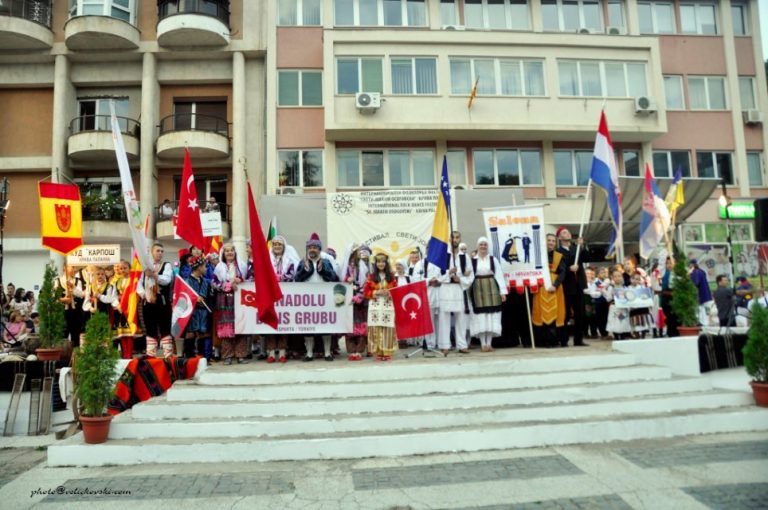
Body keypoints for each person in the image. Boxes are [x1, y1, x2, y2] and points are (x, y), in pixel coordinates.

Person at [295, 233, 339, 361]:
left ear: (319, 249)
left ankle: (327, 353)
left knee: (326, 326)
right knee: (308, 327)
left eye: (315, 247)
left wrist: (323, 271)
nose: (312, 249)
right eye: (310, 247)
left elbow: (333, 277)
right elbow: (296, 279)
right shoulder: (302, 262)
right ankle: (309, 353)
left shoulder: (325, 262)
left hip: (323, 300)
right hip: (307, 301)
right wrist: (305, 271)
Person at [437, 231, 474, 355]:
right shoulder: (443, 256)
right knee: (444, 317)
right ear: (449, 239)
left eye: (457, 237)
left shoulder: (465, 256)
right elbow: (437, 276)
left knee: (461, 317)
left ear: (460, 239)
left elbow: (471, 275)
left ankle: (462, 344)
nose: (455, 240)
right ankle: (444, 345)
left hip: (459, 288)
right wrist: (449, 272)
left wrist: (461, 279)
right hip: (446, 287)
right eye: (453, 237)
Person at [265, 235, 299, 363]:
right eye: (275, 245)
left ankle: (283, 352)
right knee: (271, 322)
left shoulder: (289, 260)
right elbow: (265, 274)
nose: (277, 247)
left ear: (284, 247)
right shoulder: (268, 260)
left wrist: (280, 278)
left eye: (279, 245)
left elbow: (291, 274)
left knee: (284, 323)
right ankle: (272, 352)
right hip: (271, 296)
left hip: (285, 296)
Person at [137, 243, 175, 358]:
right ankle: (150, 355)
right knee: (150, 328)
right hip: (148, 302)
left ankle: (168, 355)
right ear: (151, 252)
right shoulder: (144, 267)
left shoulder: (166, 265)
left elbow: (167, 280)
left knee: (165, 327)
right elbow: (139, 284)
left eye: (162, 251)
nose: (160, 253)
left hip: (162, 302)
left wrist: (154, 275)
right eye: (158, 251)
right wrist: (145, 295)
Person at [469, 237, 507, 352]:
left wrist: (502, 292)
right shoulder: (472, 261)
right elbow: (469, 277)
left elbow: (499, 275)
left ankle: (489, 344)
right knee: (480, 317)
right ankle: (482, 344)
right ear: (477, 246)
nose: (483, 247)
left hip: (492, 288)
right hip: (477, 289)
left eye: (485, 244)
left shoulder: (493, 259)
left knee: (491, 316)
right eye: (481, 244)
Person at [213, 243, 248, 365]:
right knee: (226, 327)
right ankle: (228, 356)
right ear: (223, 253)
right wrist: (227, 285)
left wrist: (241, 280)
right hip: (225, 299)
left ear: (235, 252)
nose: (229, 253)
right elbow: (214, 282)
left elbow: (249, 279)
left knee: (240, 325)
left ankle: (241, 355)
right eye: (227, 251)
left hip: (240, 298)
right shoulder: (219, 267)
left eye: (231, 250)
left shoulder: (242, 266)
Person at [532, 234, 566, 348]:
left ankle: (553, 340)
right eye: (549, 240)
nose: (551, 242)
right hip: (541, 287)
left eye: (553, 241)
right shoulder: (537, 256)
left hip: (554, 288)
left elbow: (562, 272)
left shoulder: (559, 256)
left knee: (555, 313)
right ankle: (542, 341)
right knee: (540, 313)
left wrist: (555, 285)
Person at [363, 253, 398, 361]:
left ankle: (387, 352)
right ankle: (378, 352)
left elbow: (396, 291)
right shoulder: (371, 276)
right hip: (375, 305)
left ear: (386, 263)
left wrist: (389, 292)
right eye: (378, 262)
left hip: (387, 305)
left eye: (383, 261)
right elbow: (366, 292)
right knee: (376, 328)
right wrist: (376, 292)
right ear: (376, 263)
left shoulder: (391, 276)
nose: (381, 264)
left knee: (387, 328)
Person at [557, 227, 588, 347]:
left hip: (579, 285)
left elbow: (586, 259)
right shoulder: (558, 252)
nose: (568, 233)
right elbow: (561, 268)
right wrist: (570, 270)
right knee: (565, 314)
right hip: (566, 286)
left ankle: (578, 340)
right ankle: (563, 340)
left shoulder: (577, 248)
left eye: (568, 231)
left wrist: (582, 246)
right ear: (560, 237)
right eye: (564, 232)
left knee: (580, 314)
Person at [343, 244, 370, 361]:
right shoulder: (346, 267)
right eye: (355, 252)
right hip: (348, 301)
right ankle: (351, 350)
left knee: (361, 327)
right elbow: (341, 282)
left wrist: (360, 295)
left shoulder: (363, 266)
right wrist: (346, 281)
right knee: (349, 327)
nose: (358, 254)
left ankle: (359, 350)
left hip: (361, 300)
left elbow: (367, 283)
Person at [183, 255, 212, 360]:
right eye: (204, 266)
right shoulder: (186, 282)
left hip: (203, 313)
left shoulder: (205, 282)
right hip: (192, 313)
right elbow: (183, 298)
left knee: (203, 335)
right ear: (199, 267)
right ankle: (189, 358)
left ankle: (202, 358)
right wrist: (195, 299)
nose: (206, 268)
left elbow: (208, 297)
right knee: (190, 334)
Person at [55, 265, 86, 347]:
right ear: (64, 268)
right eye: (72, 267)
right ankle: (62, 356)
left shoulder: (77, 281)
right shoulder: (58, 281)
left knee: (75, 335)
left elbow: (82, 294)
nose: (74, 269)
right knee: (62, 335)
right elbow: (54, 297)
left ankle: (75, 356)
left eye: (74, 267)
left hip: (76, 313)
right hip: (63, 313)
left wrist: (73, 287)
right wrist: (62, 300)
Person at [605, 268, 632, 340]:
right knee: (615, 322)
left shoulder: (625, 288)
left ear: (622, 277)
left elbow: (629, 298)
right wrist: (611, 294)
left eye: (619, 276)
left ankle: (623, 336)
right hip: (614, 308)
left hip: (623, 308)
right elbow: (608, 299)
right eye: (615, 276)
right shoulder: (611, 288)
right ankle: (616, 336)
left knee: (622, 321)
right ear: (612, 278)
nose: (617, 278)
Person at [628, 273, 653, 338]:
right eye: (633, 278)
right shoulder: (628, 288)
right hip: (633, 309)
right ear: (630, 279)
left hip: (642, 309)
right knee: (635, 324)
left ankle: (643, 335)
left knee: (643, 323)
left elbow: (646, 297)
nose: (635, 280)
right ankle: (637, 335)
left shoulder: (642, 288)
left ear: (639, 281)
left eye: (637, 279)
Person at [689, 258, 713, 326]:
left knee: (701, 312)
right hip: (706, 295)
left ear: (692, 265)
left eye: (690, 265)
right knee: (706, 312)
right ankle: (706, 325)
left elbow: (695, 283)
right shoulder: (701, 271)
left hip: (700, 295)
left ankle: (703, 325)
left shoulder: (695, 272)